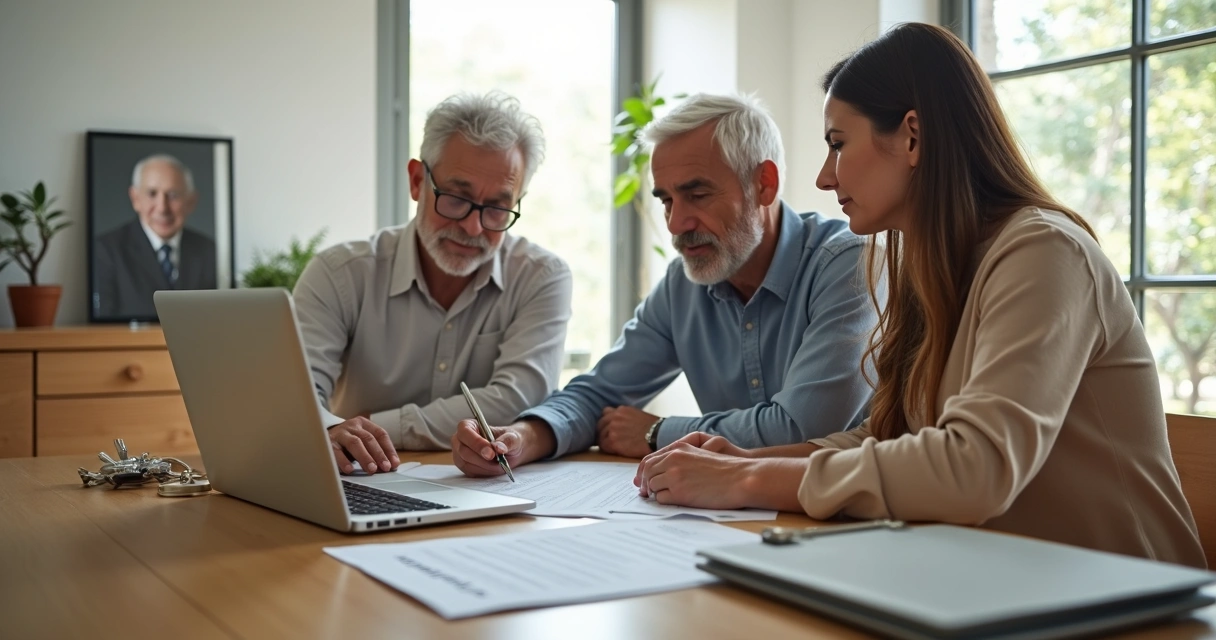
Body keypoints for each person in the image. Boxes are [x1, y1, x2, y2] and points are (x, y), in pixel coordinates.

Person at [633, 23, 1206, 568]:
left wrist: (748, 481)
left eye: (838, 144)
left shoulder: (1044, 252)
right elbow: (886, 436)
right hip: (1000, 583)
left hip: (1129, 603)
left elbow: (973, 468)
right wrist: (747, 459)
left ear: (912, 135)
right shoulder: (930, 262)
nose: (824, 178)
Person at [451, 93, 877, 476]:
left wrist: (657, 432)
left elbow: (802, 429)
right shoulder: (686, 281)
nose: (676, 224)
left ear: (763, 184)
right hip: (733, 516)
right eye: (667, 200)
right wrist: (522, 438)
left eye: (697, 194)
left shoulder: (847, 264)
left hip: (845, 519)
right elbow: (600, 392)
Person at [294, 91, 573, 476]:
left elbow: (517, 400)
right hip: (361, 479)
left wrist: (370, 427)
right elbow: (297, 397)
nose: (473, 227)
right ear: (415, 181)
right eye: (457, 198)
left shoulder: (541, 277)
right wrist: (329, 428)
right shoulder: (339, 273)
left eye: (496, 208)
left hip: (482, 491)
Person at [93, 154, 217, 318]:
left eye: (173, 195)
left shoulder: (209, 250)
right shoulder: (106, 250)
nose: (162, 208)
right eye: (152, 193)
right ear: (135, 198)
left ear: (191, 201)